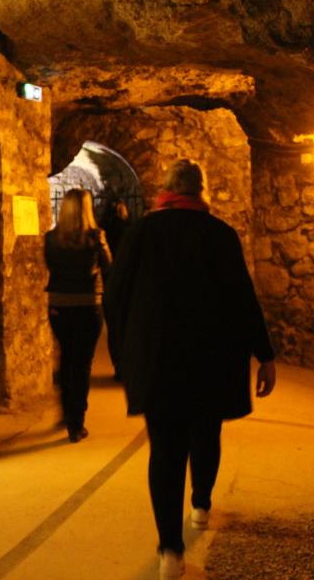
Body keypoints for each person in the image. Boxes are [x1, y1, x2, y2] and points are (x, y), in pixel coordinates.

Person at [103, 159, 276, 579]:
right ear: (201, 192)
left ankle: (170, 551)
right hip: (211, 360)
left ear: (164, 189)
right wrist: (264, 354)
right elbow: (242, 298)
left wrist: (126, 352)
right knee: (206, 434)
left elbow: (114, 297)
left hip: (159, 361)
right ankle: (200, 504)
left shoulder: (141, 233)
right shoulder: (220, 235)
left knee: (165, 452)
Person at [44, 188, 112, 443]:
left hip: (59, 304)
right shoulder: (96, 237)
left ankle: (66, 411)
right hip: (87, 304)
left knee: (67, 357)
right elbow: (108, 265)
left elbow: (50, 265)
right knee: (82, 364)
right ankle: (76, 422)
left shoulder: (52, 238)